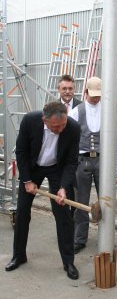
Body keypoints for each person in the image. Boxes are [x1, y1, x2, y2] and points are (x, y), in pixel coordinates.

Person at [5, 102, 81, 280]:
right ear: (44, 120)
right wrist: (27, 180)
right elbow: (21, 152)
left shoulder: (73, 128)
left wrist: (63, 187)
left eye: (63, 125)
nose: (60, 129)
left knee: (63, 215)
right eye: (55, 126)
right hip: (33, 169)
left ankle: (68, 261)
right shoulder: (30, 121)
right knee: (22, 212)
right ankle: (19, 255)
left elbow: (71, 161)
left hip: (57, 169)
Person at [69, 76, 101, 254]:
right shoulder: (76, 111)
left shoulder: (107, 109)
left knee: (105, 199)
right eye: (94, 94)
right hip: (83, 160)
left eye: (99, 95)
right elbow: (69, 138)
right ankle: (80, 238)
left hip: (102, 159)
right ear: (86, 92)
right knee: (81, 200)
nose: (96, 98)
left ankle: (106, 236)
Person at [58, 74, 81, 217]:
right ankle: (64, 223)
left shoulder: (82, 107)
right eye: (64, 88)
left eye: (70, 88)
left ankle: (74, 225)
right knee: (61, 190)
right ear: (58, 89)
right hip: (59, 158)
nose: (67, 91)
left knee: (76, 193)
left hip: (77, 157)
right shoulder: (51, 107)